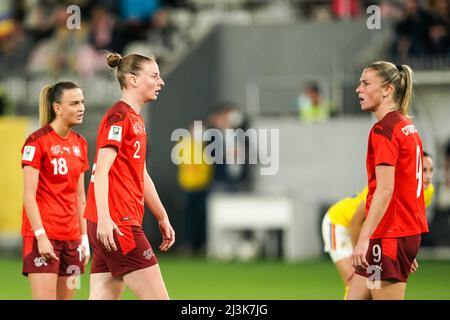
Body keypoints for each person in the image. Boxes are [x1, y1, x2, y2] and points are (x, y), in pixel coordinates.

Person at [84, 52, 175, 300]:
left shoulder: (134, 118)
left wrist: (161, 215)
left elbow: (141, 174)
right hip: (117, 223)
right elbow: (101, 170)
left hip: (109, 223)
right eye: (154, 76)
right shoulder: (119, 116)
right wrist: (105, 218)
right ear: (133, 80)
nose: (161, 82)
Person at [348, 61, 428, 300]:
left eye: (365, 83)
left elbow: (385, 189)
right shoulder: (406, 126)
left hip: (389, 237)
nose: (358, 89)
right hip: (396, 234)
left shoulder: (384, 130)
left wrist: (364, 240)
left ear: (387, 90)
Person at [322, 152, 434, 299]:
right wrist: (360, 257)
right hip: (340, 223)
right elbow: (356, 221)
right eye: (423, 169)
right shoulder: (386, 186)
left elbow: (402, 222)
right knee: (355, 281)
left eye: (431, 170)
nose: (427, 176)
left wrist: (406, 252)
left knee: (371, 284)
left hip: (369, 234)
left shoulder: (427, 191)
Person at [21, 81, 90, 300]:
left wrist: (84, 239)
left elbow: (80, 198)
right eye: (74, 103)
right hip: (44, 237)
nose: (81, 108)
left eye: (82, 102)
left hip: (72, 241)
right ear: (57, 108)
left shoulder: (81, 143)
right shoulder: (36, 142)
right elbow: (29, 196)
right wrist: (40, 236)